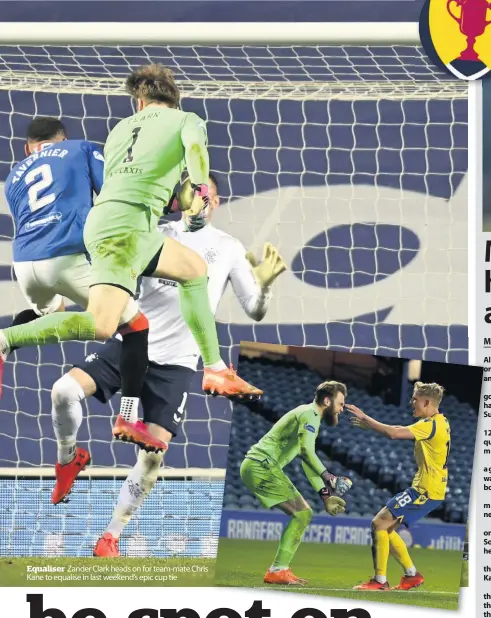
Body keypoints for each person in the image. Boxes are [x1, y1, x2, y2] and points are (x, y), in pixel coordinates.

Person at [0, 64, 261, 454]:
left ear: (138, 101)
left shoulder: (122, 129)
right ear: (175, 96)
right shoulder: (187, 119)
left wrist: (171, 203)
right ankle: (6, 337)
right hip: (127, 228)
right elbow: (194, 152)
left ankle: (216, 369)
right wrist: (200, 189)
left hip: (116, 223)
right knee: (106, 325)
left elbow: (126, 180)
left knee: (193, 271)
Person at [50, 173, 287, 557]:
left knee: (152, 456)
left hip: (175, 365)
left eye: (206, 192)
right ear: (180, 196)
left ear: (218, 200)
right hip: (131, 344)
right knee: (63, 389)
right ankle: (69, 458)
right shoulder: (155, 233)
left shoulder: (228, 247)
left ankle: (111, 536)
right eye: (192, 191)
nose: (199, 199)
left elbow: (255, 311)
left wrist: (266, 286)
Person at [240, 381, 351, 585]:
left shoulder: (310, 414)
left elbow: (306, 459)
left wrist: (325, 495)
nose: (342, 409)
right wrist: (330, 477)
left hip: (259, 466)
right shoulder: (310, 415)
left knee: (303, 514)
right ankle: (278, 570)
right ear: (327, 400)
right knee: (302, 514)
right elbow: (307, 452)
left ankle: (280, 569)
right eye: (341, 403)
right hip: (261, 465)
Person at [347, 381, 450, 591]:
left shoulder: (430, 424)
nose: (412, 402)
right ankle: (411, 575)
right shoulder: (441, 421)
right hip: (430, 489)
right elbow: (396, 430)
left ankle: (379, 581)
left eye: (415, 399)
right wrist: (371, 425)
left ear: (427, 401)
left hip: (424, 490)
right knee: (387, 528)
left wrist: (366, 417)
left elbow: (394, 433)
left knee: (378, 523)